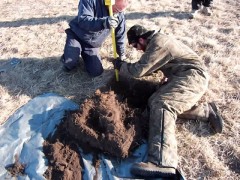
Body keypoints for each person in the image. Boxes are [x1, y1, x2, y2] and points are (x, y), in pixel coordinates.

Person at [113, 25, 223, 178]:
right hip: (183, 75)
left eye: (136, 45)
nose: (137, 50)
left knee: (162, 104)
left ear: (141, 39)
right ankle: (205, 111)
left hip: (192, 78)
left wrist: (122, 66)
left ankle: (162, 161)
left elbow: (139, 70)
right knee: (155, 100)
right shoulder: (157, 41)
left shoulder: (158, 43)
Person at [60, 0, 128, 77]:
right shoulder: (90, 1)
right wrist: (103, 23)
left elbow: (120, 35)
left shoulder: (119, 14)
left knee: (96, 72)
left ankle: (84, 53)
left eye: (119, 11)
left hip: (92, 44)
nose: (117, 13)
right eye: (115, 10)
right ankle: (69, 56)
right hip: (77, 35)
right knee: (70, 62)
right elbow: (83, 20)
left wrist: (121, 54)